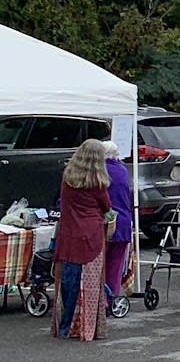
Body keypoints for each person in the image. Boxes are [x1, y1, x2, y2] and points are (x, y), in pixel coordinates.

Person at [53, 138, 113, 341]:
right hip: (91, 235)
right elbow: (106, 206)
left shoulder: (67, 178)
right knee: (90, 283)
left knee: (67, 282)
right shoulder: (97, 183)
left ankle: (64, 326)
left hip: (68, 233)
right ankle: (87, 327)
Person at [102, 140, 133, 312]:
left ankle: (100, 299)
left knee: (100, 263)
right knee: (115, 264)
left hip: (106, 222)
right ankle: (111, 297)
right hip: (123, 222)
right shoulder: (122, 170)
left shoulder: (100, 171)